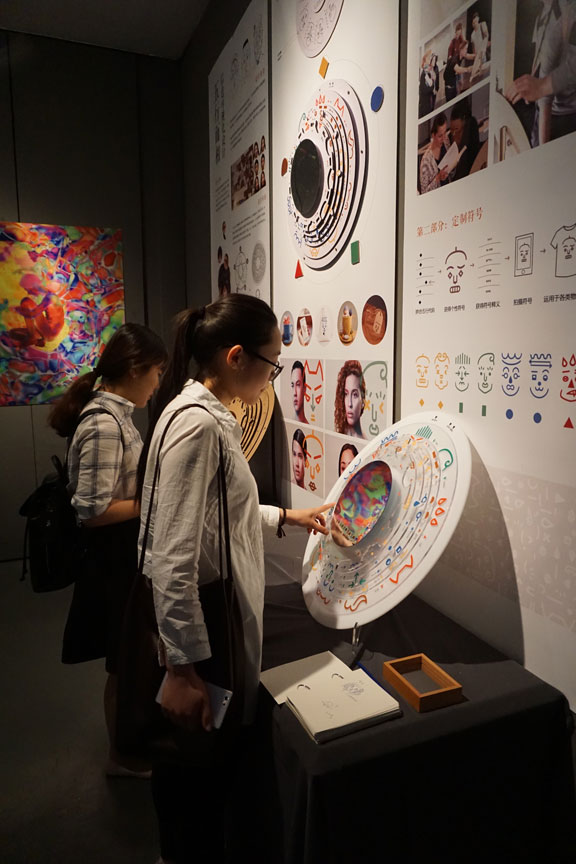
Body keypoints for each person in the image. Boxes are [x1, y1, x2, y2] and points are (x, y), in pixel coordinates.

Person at [137, 294, 332, 863]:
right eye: (272, 363)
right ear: (236, 357)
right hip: (205, 628)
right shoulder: (199, 426)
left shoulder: (195, 413)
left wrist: (287, 516)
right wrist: (182, 669)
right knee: (196, 778)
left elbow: (216, 513)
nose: (273, 377)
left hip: (207, 619)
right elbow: (172, 554)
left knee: (198, 775)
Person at [48, 322, 167, 776]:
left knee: (128, 661)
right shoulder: (102, 423)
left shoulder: (115, 415)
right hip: (111, 562)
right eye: (156, 372)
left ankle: (128, 746)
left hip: (121, 557)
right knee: (123, 663)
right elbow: (92, 510)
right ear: (135, 369)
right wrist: (152, 499)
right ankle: (122, 756)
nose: (157, 383)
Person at [334, 359, 366, 438]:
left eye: (355, 395)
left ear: (363, 401)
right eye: (346, 394)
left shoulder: (366, 442)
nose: (349, 404)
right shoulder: (338, 434)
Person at [419, 112, 449, 194]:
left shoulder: (446, 141)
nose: (443, 138)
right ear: (433, 135)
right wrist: (438, 178)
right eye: (440, 136)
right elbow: (424, 192)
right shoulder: (426, 160)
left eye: (445, 133)